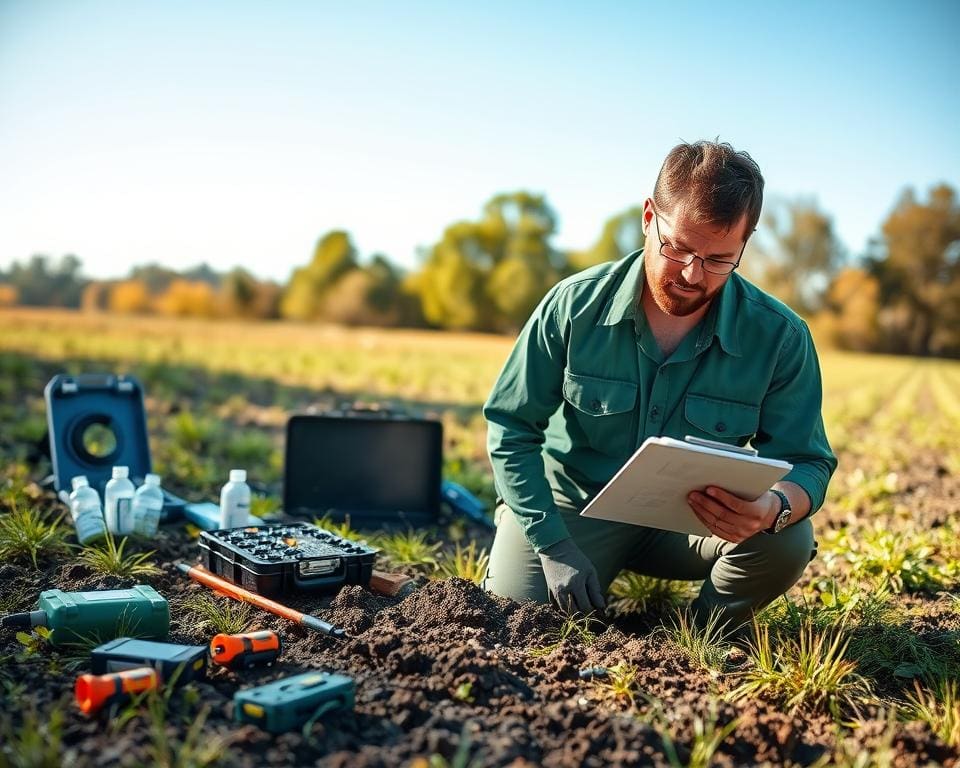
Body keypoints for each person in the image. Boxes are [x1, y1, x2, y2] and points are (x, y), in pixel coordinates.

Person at [482, 140, 837, 632]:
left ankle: (706, 633)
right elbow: (510, 428)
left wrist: (773, 508)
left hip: (695, 522)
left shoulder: (780, 336)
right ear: (649, 216)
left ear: (744, 245)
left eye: (718, 259)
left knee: (788, 539)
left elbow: (810, 460)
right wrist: (553, 545)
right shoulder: (573, 306)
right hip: (573, 509)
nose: (693, 274)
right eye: (679, 248)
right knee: (514, 622)